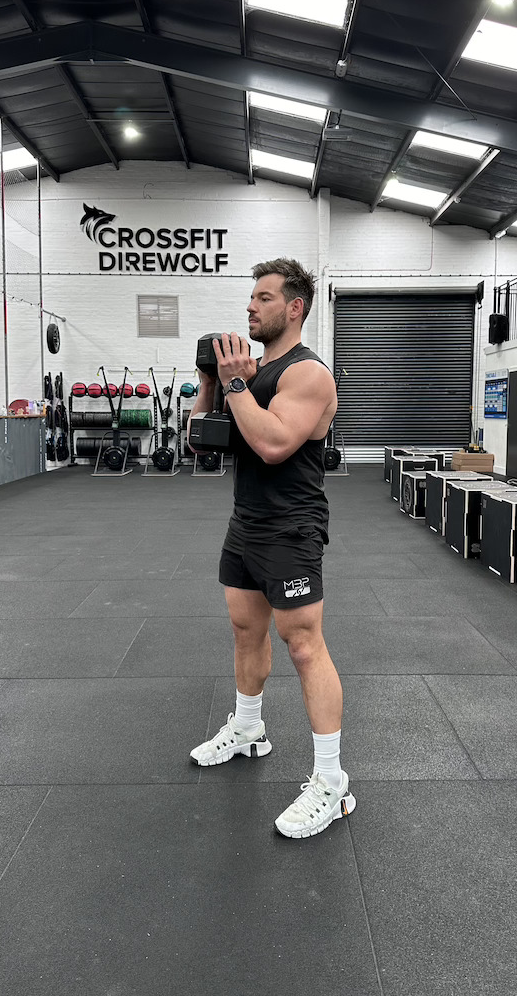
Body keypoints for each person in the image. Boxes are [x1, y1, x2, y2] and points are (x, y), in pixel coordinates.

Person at [189, 257, 355, 839]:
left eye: (263, 298)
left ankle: (332, 784)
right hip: (246, 523)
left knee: (304, 645)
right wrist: (212, 380)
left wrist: (235, 383)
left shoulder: (307, 375)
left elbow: (274, 444)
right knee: (245, 630)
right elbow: (201, 442)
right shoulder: (250, 372)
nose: (250, 307)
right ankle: (249, 729)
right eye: (250, 298)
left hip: (291, 527)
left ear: (295, 308)